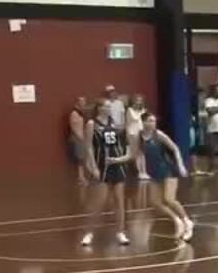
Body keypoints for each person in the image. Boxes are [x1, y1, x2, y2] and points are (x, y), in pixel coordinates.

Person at [81, 101, 134, 247]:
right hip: (102, 165)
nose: (108, 108)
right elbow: (89, 147)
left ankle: (120, 232)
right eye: (105, 106)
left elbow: (121, 145)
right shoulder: (92, 124)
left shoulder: (115, 124)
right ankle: (89, 233)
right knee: (99, 201)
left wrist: (120, 159)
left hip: (116, 165)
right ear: (98, 108)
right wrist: (93, 166)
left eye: (109, 106)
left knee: (119, 200)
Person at [138, 112, 194, 242]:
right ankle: (176, 220)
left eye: (154, 121)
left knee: (169, 199)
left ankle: (187, 221)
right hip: (153, 172)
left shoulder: (159, 135)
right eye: (149, 121)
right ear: (143, 122)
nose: (152, 123)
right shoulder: (139, 137)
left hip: (168, 170)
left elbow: (175, 148)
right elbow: (136, 154)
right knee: (155, 202)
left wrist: (180, 165)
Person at [126, 94, 148, 180]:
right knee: (136, 154)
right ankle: (139, 172)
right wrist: (127, 135)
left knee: (142, 153)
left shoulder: (144, 110)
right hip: (132, 133)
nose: (139, 102)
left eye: (140, 100)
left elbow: (145, 121)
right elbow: (128, 123)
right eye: (137, 100)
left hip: (142, 132)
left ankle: (144, 171)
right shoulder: (129, 110)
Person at [68, 97, 88, 185]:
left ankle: (81, 177)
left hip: (81, 137)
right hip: (77, 138)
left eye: (84, 102)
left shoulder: (81, 113)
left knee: (82, 158)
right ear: (77, 103)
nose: (84, 103)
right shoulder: (74, 113)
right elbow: (73, 127)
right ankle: (81, 178)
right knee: (80, 159)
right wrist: (80, 137)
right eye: (82, 101)